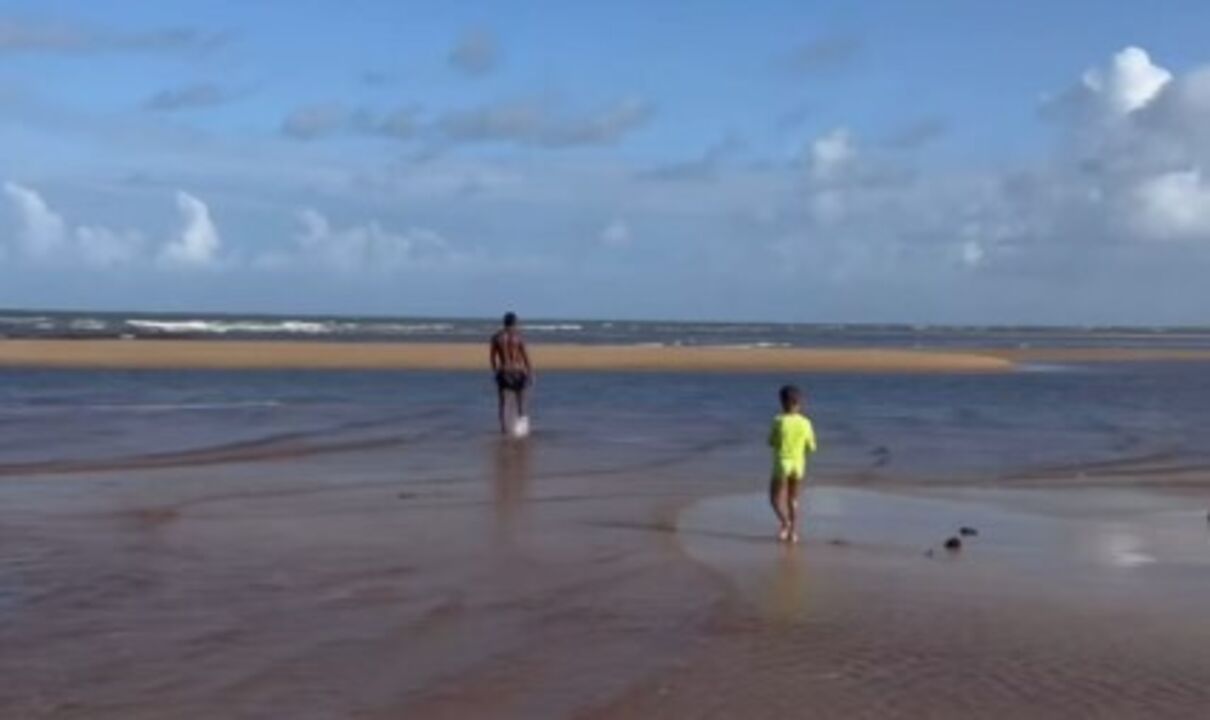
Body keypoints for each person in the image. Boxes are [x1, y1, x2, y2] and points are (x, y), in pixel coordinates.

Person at [768, 384, 817, 543]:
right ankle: (793, 533)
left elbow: (771, 441)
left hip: (782, 462)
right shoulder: (806, 422)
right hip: (798, 464)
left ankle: (785, 522)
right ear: (799, 403)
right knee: (793, 499)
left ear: (782, 403)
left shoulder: (778, 420)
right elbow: (811, 447)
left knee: (774, 499)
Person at [489, 312, 533, 434]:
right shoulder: (519, 337)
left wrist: (495, 373)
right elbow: (526, 357)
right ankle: (522, 430)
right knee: (521, 401)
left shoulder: (496, 337)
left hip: (503, 372)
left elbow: (492, 359)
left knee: (502, 403)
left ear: (504, 322)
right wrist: (530, 374)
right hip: (518, 371)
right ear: (515, 323)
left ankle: (504, 430)